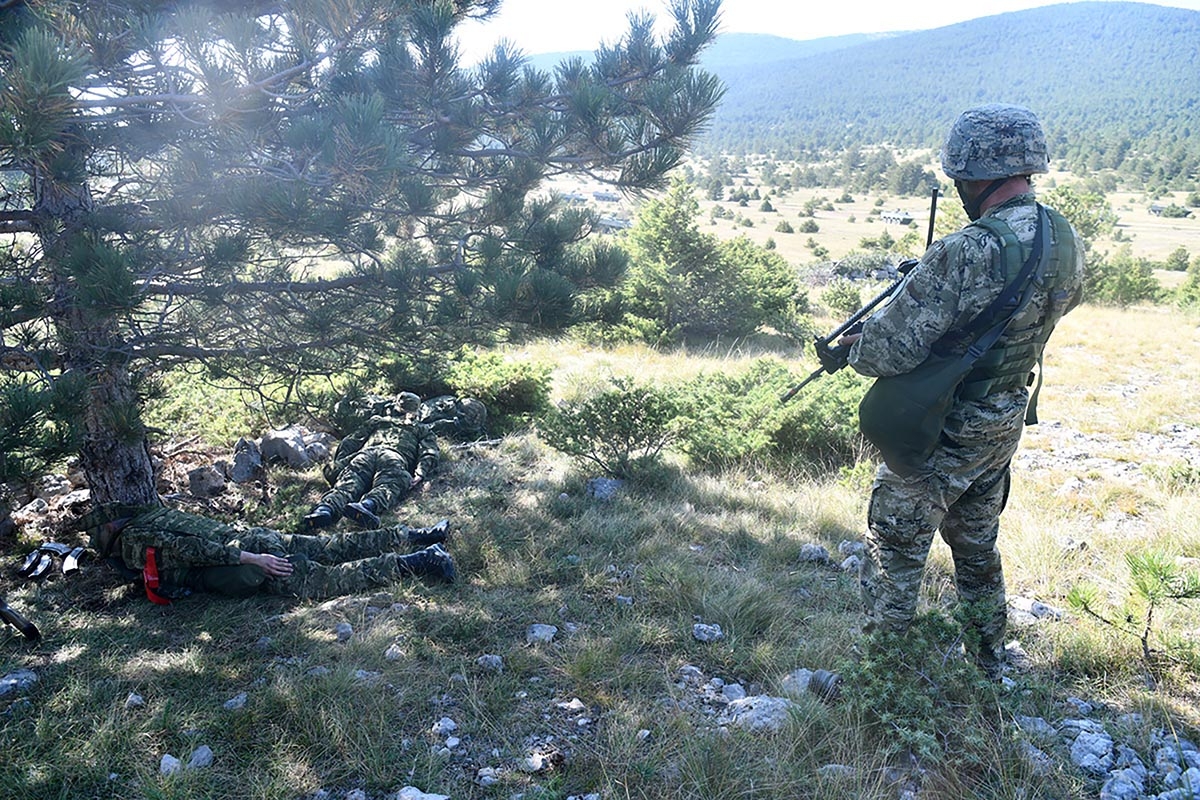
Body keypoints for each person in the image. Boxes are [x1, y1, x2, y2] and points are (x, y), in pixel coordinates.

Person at [841, 104, 1084, 677]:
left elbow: (884, 353)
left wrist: (866, 337)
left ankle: (882, 682)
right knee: (976, 548)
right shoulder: (1063, 236)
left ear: (976, 176)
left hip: (943, 428)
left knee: (895, 550)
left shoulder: (969, 248)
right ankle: (989, 661)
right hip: (1003, 420)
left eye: (958, 178)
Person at [75, 502, 455, 601]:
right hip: (253, 535)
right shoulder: (151, 517)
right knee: (332, 546)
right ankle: (419, 534)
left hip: (249, 554)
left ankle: (420, 560)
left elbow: (197, 549)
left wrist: (253, 561)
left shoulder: (135, 541)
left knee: (322, 580)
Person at [304, 392, 440, 530]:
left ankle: (325, 509)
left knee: (348, 484)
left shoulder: (378, 421)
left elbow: (349, 442)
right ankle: (367, 505)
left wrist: (342, 463)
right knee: (388, 485)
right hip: (393, 457)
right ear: (416, 410)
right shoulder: (421, 429)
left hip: (364, 455)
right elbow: (429, 452)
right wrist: (420, 473)